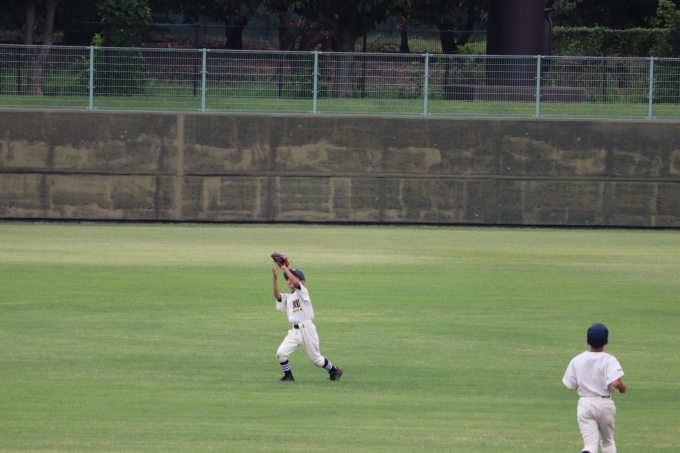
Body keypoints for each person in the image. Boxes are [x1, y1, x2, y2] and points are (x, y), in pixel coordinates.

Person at [272, 261, 343, 382]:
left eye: (293, 277)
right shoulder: (288, 297)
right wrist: (275, 279)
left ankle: (335, 370)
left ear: (302, 282)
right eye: (288, 278)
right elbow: (277, 296)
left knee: (316, 359)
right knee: (281, 354)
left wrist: (285, 269)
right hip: (294, 332)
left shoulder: (303, 292)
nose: (289, 280)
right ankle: (288, 376)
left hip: (307, 329)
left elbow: (296, 283)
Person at [562, 323, 627, 453]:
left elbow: (571, 385)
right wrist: (622, 387)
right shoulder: (609, 359)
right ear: (607, 342)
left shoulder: (577, 360)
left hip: (585, 404)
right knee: (608, 442)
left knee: (590, 446)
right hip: (604, 403)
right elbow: (615, 382)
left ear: (587, 341)